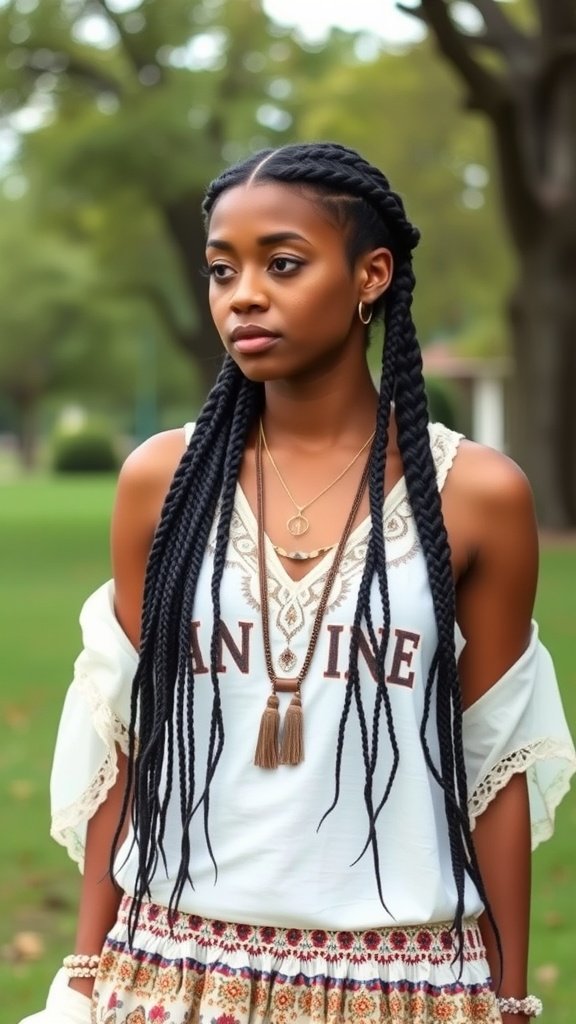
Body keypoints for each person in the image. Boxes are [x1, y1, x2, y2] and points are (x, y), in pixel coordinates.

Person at [20, 142, 575, 1024]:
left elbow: (495, 770)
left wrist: (505, 1000)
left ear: (371, 276)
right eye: (220, 269)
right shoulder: (161, 482)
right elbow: (123, 732)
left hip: (404, 979)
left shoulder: (477, 497)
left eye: (282, 263)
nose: (242, 293)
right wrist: (89, 972)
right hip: (176, 971)